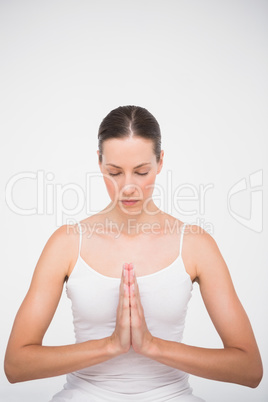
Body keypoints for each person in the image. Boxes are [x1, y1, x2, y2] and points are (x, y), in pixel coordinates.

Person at [4, 105, 263, 401]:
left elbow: (249, 369)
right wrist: (111, 345)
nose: (128, 187)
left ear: (160, 162)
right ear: (100, 163)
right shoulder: (66, 243)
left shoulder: (194, 244)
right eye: (115, 172)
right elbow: (16, 365)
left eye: (141, 172)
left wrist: (152, 345)